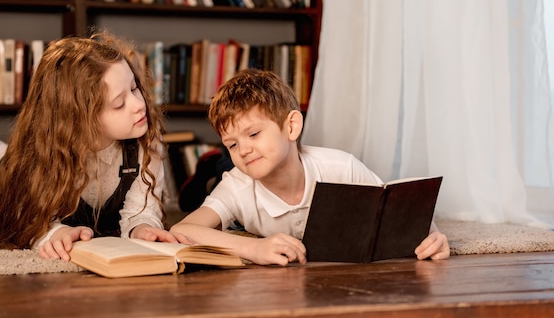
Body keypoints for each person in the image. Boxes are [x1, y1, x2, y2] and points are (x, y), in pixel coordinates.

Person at [0, 32, 186, 261]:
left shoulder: (145, 140)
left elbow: (142, 209)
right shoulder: (49, 152)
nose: (139, 104)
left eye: (135, 88)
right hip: (7, 194)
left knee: (12, 159)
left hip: (33, 171)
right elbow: (31, 218)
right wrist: (53, 232)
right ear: (79, 118)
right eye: (119, 103)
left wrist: (143, 228)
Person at [171, 69, 450, 266]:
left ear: (291, 126)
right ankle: (211, 164)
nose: (243, 150)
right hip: (227, 188)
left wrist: (433, 237)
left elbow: (402, 210)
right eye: (232, 144)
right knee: (207, 185)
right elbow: (186, 229)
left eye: (254, 134)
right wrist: (253, 247)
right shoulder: (238, 184)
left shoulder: (340, 166)